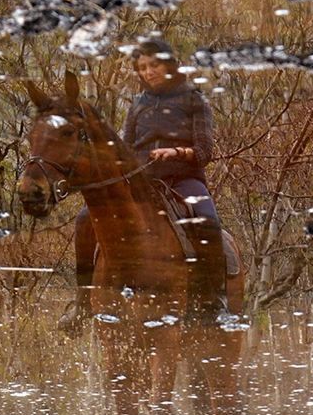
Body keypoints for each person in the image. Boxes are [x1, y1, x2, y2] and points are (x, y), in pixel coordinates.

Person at [70, 38, 228, 322]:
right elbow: (125, 150)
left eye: (154, 65)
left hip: (182, 180)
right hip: (139, 184)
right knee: (84, 218)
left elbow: (205, 151)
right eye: (142, 67)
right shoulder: (138, 104)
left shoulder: (194, 100)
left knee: (207, 218)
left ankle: (213, 301)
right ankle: (82, 301)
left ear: (169, 64)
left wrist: (175, 152)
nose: (148, 72)